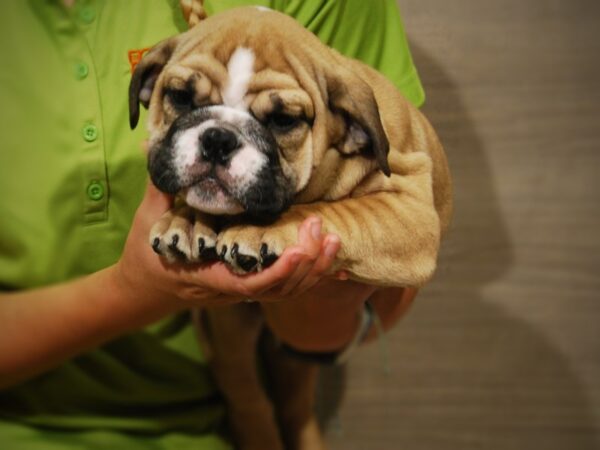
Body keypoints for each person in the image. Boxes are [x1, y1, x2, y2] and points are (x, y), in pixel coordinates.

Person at [0, 0, 424, 448]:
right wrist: (131, 292)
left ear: (354, 130)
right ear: (147, 88)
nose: (219, 144)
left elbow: (400, 263)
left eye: (280, 118)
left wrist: (311, 255)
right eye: (184, 97)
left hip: (218, 423)